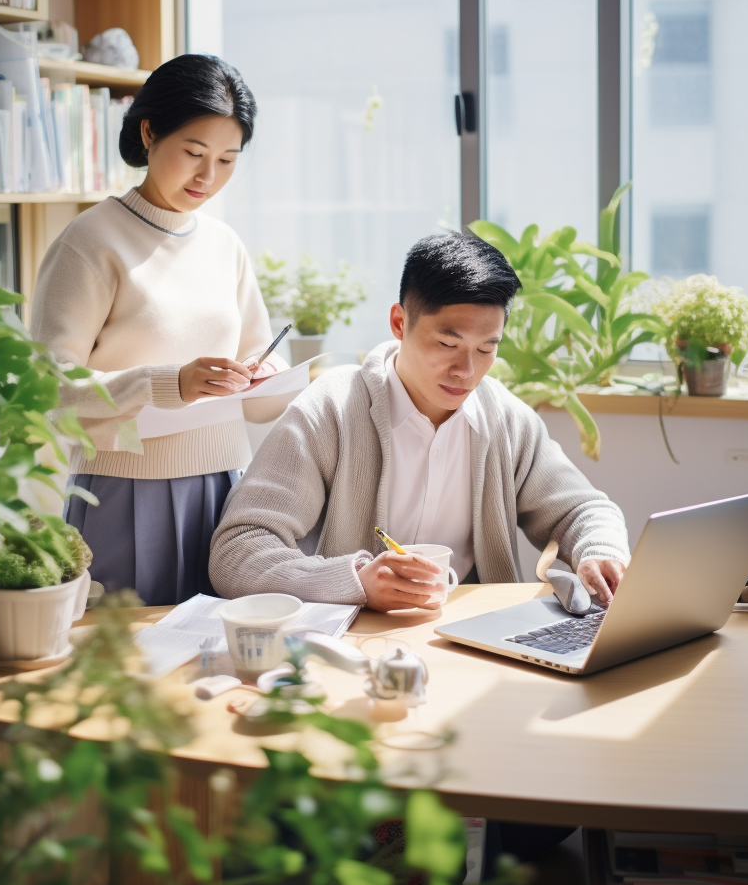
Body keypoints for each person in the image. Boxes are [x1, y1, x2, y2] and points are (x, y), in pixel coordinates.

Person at [209, 229, 629, 608]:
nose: (467, 371)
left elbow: (583, 510)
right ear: (399, 322)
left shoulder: (507, 420)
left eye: (487, 348)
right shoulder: (331, 409)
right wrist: (353, 581)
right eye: (447, 344)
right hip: (356, 643)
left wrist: (599, 550)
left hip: (476, 636)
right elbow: (237, 550)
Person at [31, 54, 286, 606]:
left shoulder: (225, 245)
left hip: (224, 488)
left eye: (227, 160)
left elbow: (264, 394)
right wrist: (168, 383)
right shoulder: (91, 240)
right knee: (126, 649)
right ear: (149, 134)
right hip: (121, 491)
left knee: (218, 648)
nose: (208, 177)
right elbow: (47, 386)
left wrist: (268, 373)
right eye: (194, 153)